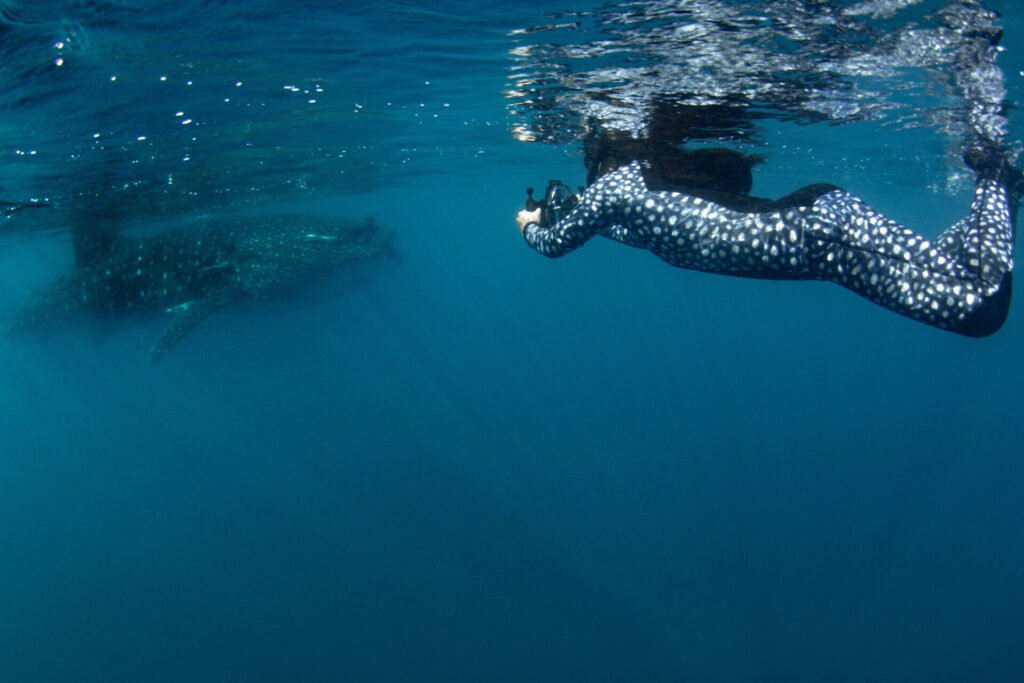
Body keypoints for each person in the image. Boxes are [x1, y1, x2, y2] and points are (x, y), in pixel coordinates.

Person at [517, 134, 1018, 336]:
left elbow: (557, 247)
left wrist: (531, 227)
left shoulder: (618, 186)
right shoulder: (639, 192)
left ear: (603, 158)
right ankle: (999, 186)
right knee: (966, 284)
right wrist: (567, 209)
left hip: (821, 238)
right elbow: (635, 233)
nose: (589, 180)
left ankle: (996, 176)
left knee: (979, 310)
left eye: (588, 168)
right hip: (819, 226)